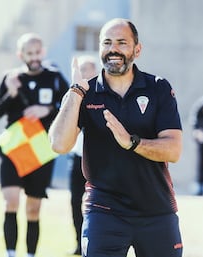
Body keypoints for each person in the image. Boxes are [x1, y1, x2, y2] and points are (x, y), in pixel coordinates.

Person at [49, 18, 183, 257]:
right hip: (104, 211)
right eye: (107, 42)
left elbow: (173, 150)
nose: (114, 49)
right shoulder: (85, 93)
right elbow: (58, 144)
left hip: (156, 210)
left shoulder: (158, 88)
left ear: (137, 49)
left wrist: (132, 142)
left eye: (122, 43)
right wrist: (75, 92)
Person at [0, 33, 68, 257]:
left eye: (37, 53)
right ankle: (10, 253)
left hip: (41, 151)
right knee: (11, 201)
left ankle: (30, 254)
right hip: (13, 149)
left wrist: (48, 109)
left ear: (43, 51)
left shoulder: (54, 78)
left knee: (33, 208)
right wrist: (11, 93)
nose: (33, 58)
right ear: (20, 55)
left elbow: (70, 106)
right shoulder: (11, 78)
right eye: (29, 54)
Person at [68, 56, 98, 255]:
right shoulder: (74, 95)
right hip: (76, 157)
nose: (86, 73)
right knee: (74, 201)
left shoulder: (100, 95)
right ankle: (79, 242)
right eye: (83, 69)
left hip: (95, 159)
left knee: (95, 202)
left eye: (90, 69)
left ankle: (93, 241)